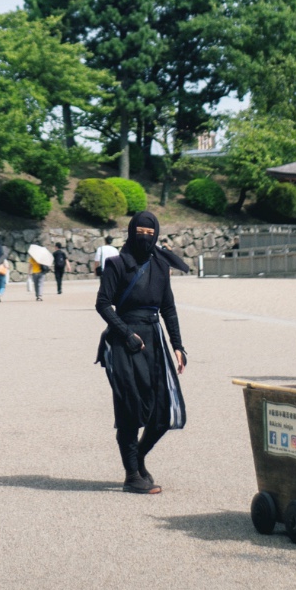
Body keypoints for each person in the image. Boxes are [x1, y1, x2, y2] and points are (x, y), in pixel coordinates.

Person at [95, 210, 187, 495]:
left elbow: (168, 308)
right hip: (125, 342)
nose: (145, 238)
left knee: (161, 411)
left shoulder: (161, 266)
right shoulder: (117, 264)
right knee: (130, 407)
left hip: (154, 339)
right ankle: (132, 475)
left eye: (150, 234)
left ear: (156, 234)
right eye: (140, 233)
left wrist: (178, 345)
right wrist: (126, 334)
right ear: (131, 232)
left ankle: (139, 458)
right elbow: (103, 304)